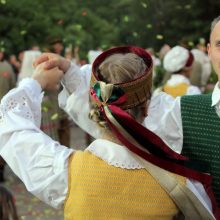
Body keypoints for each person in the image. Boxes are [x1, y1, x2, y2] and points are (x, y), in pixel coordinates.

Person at [0, 46, 218, 219]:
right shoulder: (182, 183)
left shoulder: (65, 173)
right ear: (148, 107)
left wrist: (35, 82)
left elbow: (10, 126)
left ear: (96, 105)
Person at [33, 16, 220, 210]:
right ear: (209, 51)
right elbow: (122, 104)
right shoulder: (185, 111)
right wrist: (70, 72)